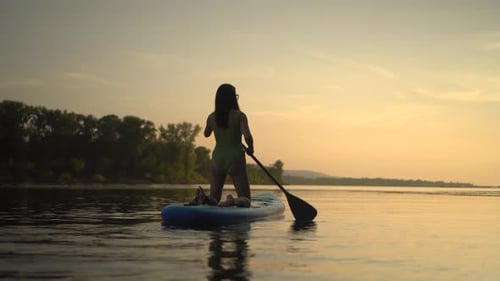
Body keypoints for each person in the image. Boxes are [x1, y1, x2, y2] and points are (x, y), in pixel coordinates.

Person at [189, 83, 254, 208]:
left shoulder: (212, 117)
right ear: (232, 98)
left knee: (214, 198)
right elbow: (247, 136)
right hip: (235, 159)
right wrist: (251, 149)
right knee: (246, 200)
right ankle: (233, 201)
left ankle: (204, 198)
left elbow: (206, 133)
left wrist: (214, 125)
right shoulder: (240, 116)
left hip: (217, 159)